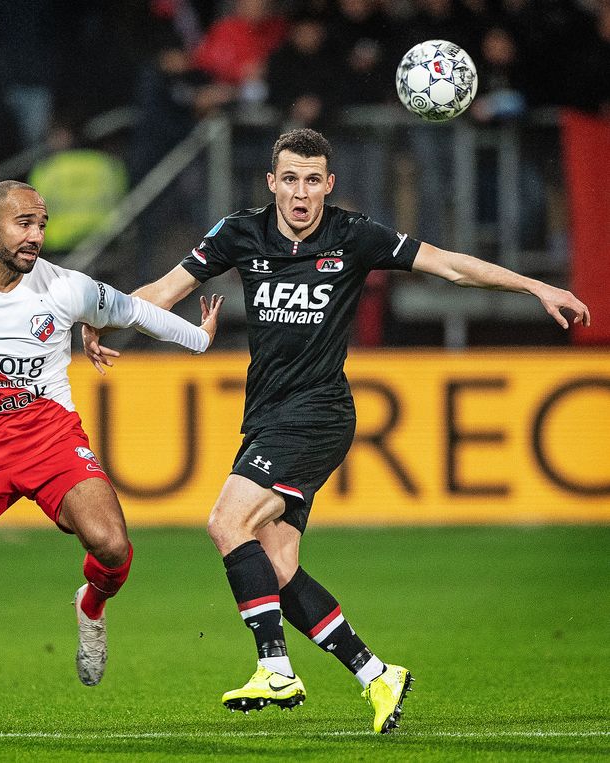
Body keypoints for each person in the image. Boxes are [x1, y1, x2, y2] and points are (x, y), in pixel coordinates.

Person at [83, 128, 590, 734]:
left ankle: (274, 667)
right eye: (289, 180)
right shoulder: (239, 234)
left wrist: (535, 285)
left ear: (329, 184)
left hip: (318, 411)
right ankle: (377, 674)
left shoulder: (353, 235)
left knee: (226, 521)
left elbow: (450, 266)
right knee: (276, 565)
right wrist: (103, 319)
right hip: (266, 413)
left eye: (311, 181)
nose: (300, 194)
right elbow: (164, 292)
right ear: (271, 183)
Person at [0, 180, 223, 736]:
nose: (36, 236)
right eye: (24, 223)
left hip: (51, 442)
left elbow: (133, 311)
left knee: (112, 545)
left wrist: (200, 340)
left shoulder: (65, 287)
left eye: (41, 224)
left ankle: (91, 605)